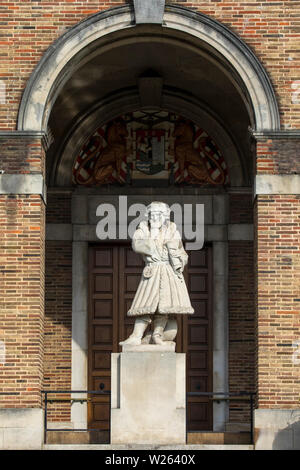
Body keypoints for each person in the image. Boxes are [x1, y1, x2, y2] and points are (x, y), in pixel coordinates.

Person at [119, 201, 194, 346]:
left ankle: (157, 335)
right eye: (152, 214)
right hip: (152, 270)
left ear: (165, 216)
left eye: (159, 214)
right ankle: (136, 335)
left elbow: (182, 253)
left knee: (163, 305)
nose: (155, 217)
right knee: (146, 303)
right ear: (148, 216)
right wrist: (153, 237)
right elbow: (137, 244)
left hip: (168, 271)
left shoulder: (172, 231)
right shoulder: (143, 230)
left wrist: (180, 261)